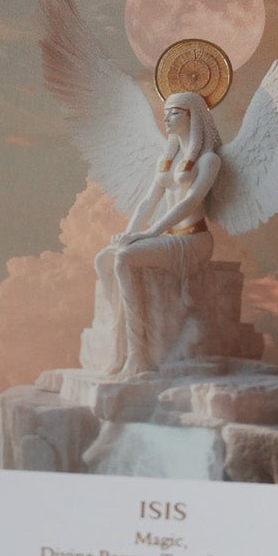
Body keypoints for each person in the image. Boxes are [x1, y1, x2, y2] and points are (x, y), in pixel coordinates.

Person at [92, 91, 221, 377]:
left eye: (174, 112)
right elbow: (148, 202)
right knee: (104, 258)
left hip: (193, 241)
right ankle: (119, 344)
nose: (167, 118)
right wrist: (129, 234)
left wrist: (149, 233)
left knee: (124, 259)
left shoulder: (208, 160)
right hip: (168, 236)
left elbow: (190, 202)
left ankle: (138, 355)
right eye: (165, 113)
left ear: (193, 116)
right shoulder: (168, 160)